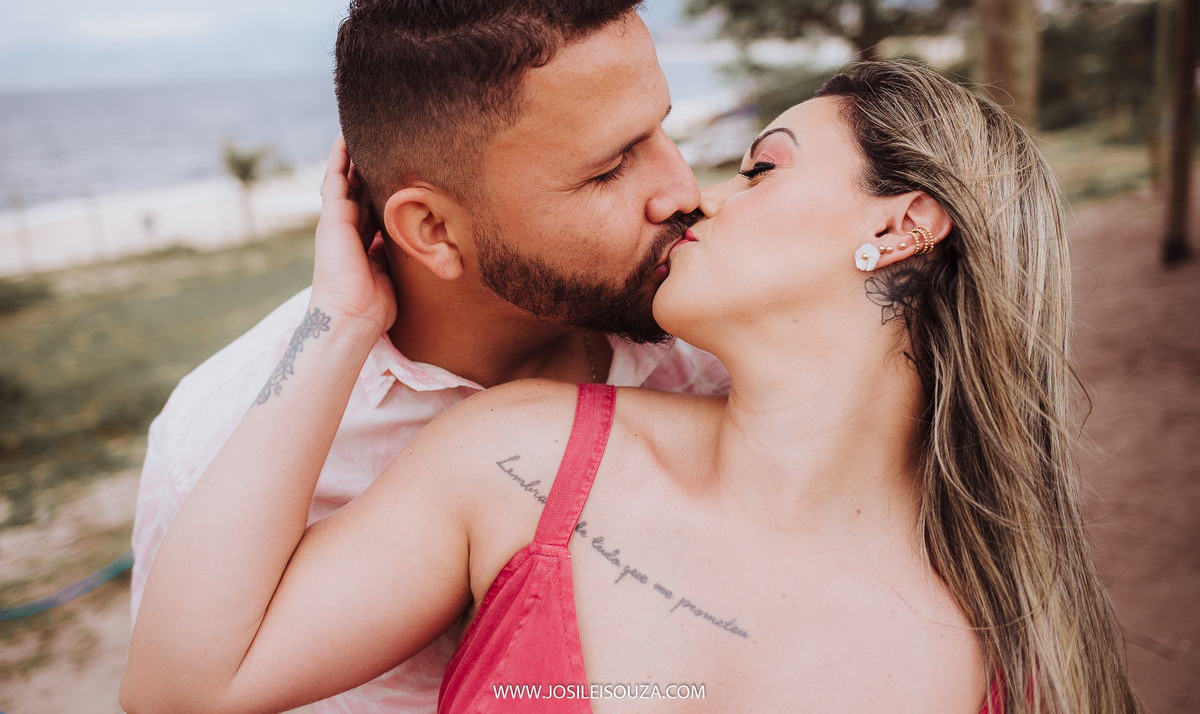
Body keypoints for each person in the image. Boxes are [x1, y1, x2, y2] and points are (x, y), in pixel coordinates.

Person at [122, 61, 1146, 714]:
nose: (696, 196)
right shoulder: (520, 456)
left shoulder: (1014, 640)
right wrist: (341, 319)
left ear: (900, 226)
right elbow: (178, 687)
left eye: (761, 169)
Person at [128, 0, 729, 714]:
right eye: (611, 168)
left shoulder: (714, 336)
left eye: (662, 131)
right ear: (435, 230)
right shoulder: (215, 445)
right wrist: (339, 326)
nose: (682, 190)